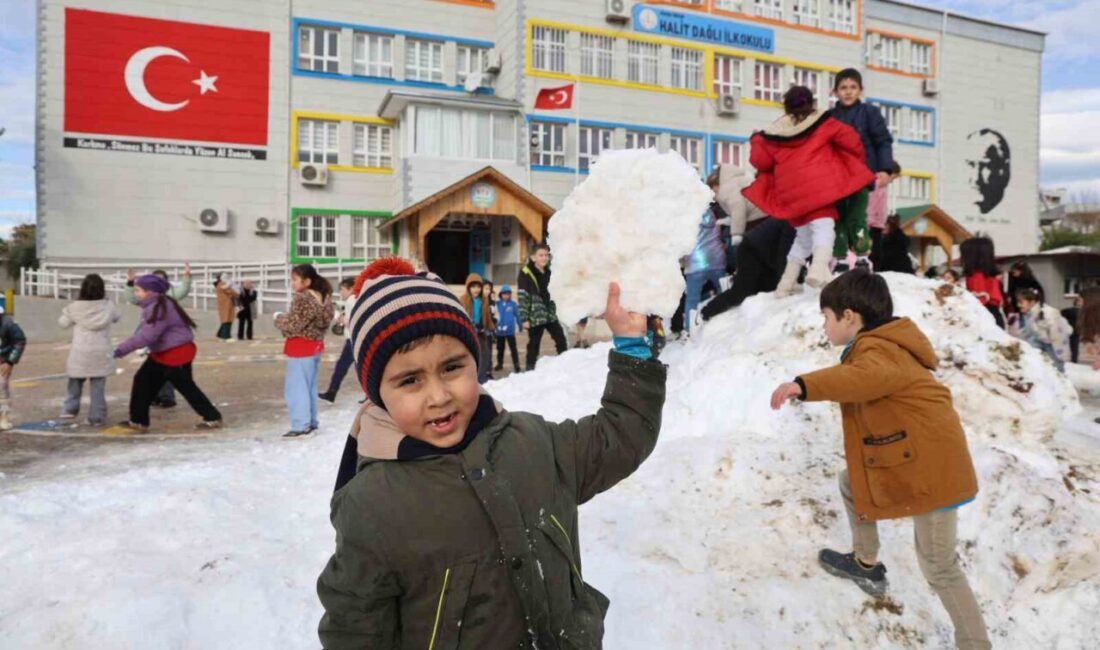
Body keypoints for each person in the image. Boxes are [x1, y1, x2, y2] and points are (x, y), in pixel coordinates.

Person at [317, 257, 666, 648]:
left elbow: (619, 438)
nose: (439, 396)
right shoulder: (372, 504)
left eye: (452, 368)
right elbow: (355, 631)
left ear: (474, 361)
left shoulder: (535, 443)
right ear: (377, 395)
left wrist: (634, 350)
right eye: (410, 380)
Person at [770, 270, 990, 650]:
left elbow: (862, 378)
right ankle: (865, 563)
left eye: (826, 317)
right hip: (918, 459)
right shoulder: (882, 344)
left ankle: (975, 644)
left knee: (939, 565)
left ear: (849, 316)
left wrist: (804, 385)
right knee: (851, 482)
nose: (824, 325)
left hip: (933, 471)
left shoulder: (879, 351)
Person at [742, 85, 874, 297]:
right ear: (811, 103)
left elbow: (760, 161)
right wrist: (844, 160)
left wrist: (756, 141)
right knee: (824, 230)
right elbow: (852, 141)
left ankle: (785, 285)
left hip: (792, 196)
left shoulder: (775, 132)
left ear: (786, 106)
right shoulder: (824, 123)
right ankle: (817, 269)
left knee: (802, 238)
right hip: (819, 190)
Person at [114, 274, 223, 432]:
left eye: (139, 290)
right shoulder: (157, 304)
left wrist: (119, 350)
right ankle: (138, 421)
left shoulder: (159, 308)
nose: (136, 293)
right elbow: (147, 332)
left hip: (176, 354)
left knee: (185, 386)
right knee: (142, 381)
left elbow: (147, 336)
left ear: (150, 292)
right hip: (163, 353)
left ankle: (212, 417)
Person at [828, 68, 896, 271]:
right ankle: (839, 257)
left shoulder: (870, 113)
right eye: (843, 88)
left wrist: (885, 168)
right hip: (836, 176)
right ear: (835, 92)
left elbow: (882, 141)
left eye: (852, 87)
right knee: (837, 216)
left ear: (861, 90)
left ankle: (862, 255)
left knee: (857, 215)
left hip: (861, 174)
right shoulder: (829, 117)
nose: (848, 92)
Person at [275, 264, 335, 437]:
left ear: (307, 281)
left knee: (296, 388)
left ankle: (300, 424)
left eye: (294, 279)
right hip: (315, 345)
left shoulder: (302, 298)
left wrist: (278, 319)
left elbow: (294, 324)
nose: (292, 283)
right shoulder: (324, 297)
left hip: (301, 346)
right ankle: (311, 421)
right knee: (309, 386)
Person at [701, 217, 797, 322]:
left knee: (769, 288)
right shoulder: (792, 222)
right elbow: (783, 256)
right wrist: (786, 281)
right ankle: (705, 312)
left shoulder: (798, 221)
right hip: (751, 251)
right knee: (741, 292)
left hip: (766, 254)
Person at [126, 264, 192, 409]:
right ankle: (153, 398)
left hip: (166, 344)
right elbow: (132, 298)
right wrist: (130, 283)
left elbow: (183, 291)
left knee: (169, 373)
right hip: (155, 343)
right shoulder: (146, 299)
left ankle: (166, 397)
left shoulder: (168, 299)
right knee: (153, 372)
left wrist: (187, 277)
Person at [59, 273, 120, 426]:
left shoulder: (74, 307)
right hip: (101, 351)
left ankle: (69, 409)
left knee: (75, 381)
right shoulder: (108, 306)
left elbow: (63, 323)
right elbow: (117, 317)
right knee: (98, 385)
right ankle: (97, 416)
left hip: (80, 351)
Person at [682, 171, 729, 333]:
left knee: (692, 299)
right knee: (724, 291)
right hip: (717, 259)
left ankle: (690, 330)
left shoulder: (684, 215)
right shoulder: (710, 212)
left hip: (694, 263)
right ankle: (728, 323)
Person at [518, 244, 568, 370]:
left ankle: (565, 365)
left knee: (560, 338)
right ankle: (530, 369)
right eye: (541, 255)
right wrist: (524, 318)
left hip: (550, 313)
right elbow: (523, 296)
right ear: (533, 257)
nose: (544, 258)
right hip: (535, 315)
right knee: (534, 344)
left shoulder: (549, 272)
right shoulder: (526, 273)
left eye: (546, 255)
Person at [1015, 288, 1072, 373]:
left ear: (1032, 302)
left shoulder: (1046, 313)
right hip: (1046, 341)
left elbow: (1052, 334)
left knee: (1056, 367)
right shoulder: (1030, 314)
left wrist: (1038, 336)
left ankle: (1060, 381)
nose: (1018, 305)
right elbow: (1028, 332)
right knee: (1030, 347)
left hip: (1055, 344)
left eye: (1021, 302)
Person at [319, 278, 356, 404]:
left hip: (352, 340)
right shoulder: (354, 300)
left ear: (350, 289)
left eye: (342, 289)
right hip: (353, 340)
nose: (341, 293)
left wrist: (339, 318)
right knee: (354, 368)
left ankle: (332, 392)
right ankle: (332, 392)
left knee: (342, 367)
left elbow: (350, 322)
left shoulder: (351, 300)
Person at [960, 236, 1005, 329]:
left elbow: (978, 300)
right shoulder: (990, 276)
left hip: (985, 318)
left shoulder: (976, 277)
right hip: (994, 315)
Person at [461, 273, 495, 383]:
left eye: (478, 287)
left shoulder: (483, 300)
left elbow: (487, 315)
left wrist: (490, 326)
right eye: (473, 287)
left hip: (481, 331)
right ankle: (468, 377)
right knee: (468, 354)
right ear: (468, 287)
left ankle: (481, 377)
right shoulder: (463, 299)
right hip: (469, 332)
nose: (476, 289)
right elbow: (461, 315)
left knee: (484, 354)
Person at [868, 162, 902, 270]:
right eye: (893, 178)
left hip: (877, 225)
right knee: (873, 255)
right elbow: (870, 207)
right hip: (871, 225)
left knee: (877, 255)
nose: (891, 181)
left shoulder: (883, 187)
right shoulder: (874, 185)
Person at [0, 306, 27, 431]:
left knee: (1, 388)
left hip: (2, 361)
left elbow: (20, 341)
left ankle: (3, 417)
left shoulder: (8, 323)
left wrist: (10, 361)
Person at [494, 284, 522, 373]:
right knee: (500, 349)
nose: (506, 296)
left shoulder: (513, 304)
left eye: (508, 294)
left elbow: (517, 315)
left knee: (513, 348)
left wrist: (520, 325)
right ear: (501, 294)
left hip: (510, 331)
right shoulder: (497, 304)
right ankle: (499, 363)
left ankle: (516, 365)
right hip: (499, 332)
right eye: (504, 294)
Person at [214, 273, 238, 341]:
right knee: (227, 319)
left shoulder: (220, 284)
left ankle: (221, 334)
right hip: (226, 304)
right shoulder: (222, 284)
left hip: (226, 304)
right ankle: (226, 336)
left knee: (226, 319)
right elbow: (230, 291)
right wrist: (237, 293)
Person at [1062, 293, 1084, 364]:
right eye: (1080, 301)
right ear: (1077, 302)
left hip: (1073, 330)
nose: (1081, 303)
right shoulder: (1076, 311)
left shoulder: (1067, 310)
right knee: (1073, 346)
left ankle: (1072, 359)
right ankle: (1073, 360)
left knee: (1072, 346)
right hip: (1073, 330)